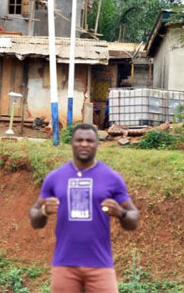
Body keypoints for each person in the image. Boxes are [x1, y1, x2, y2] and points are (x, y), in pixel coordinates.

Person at [29, 123, 139, 293]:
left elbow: (133, 218)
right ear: (72, 143)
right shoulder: (55, 177)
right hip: (65, 264)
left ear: (97, 144)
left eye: (90, 140)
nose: (84, 144)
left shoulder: (111, 178)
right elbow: (35, 218)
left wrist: (121, 213)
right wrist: (44, 212)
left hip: (100, 264)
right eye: (79, 140)